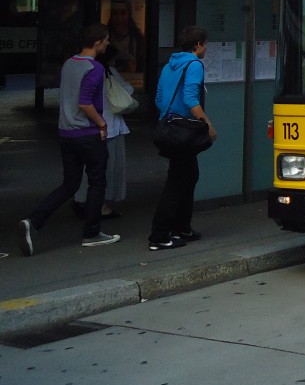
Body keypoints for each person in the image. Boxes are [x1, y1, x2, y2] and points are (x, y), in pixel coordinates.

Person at [17, 23, 120, 255]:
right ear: (97, 42)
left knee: (70, 183)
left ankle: (34, 221)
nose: (108, 43)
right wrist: (102, 123)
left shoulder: (69, 64)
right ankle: (92, 232)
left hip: (66, 133)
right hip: (87, 134)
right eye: (105, 40)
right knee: (96, 182)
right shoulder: (94, 69)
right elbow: (85, 103)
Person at [148, 25, 216, 251]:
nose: (206, 48)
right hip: (184, 131)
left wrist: (171, 114)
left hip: (170, 128)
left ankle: (182, 227)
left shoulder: (169, 65)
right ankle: (160, 234)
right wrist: (207, 123)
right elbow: (190, 98)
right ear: (198, 45)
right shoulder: (194, 64)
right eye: (205, 43)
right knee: (177, 182)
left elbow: (159, 99)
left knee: (188, 175)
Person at [72, 44, 132, 219]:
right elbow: (127, 90)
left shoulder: (81, 70)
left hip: (86, 127)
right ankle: (100, 207)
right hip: (109, 126)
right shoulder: (108, 72)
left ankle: (80, 199)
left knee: (89, 169)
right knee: (106, 170)